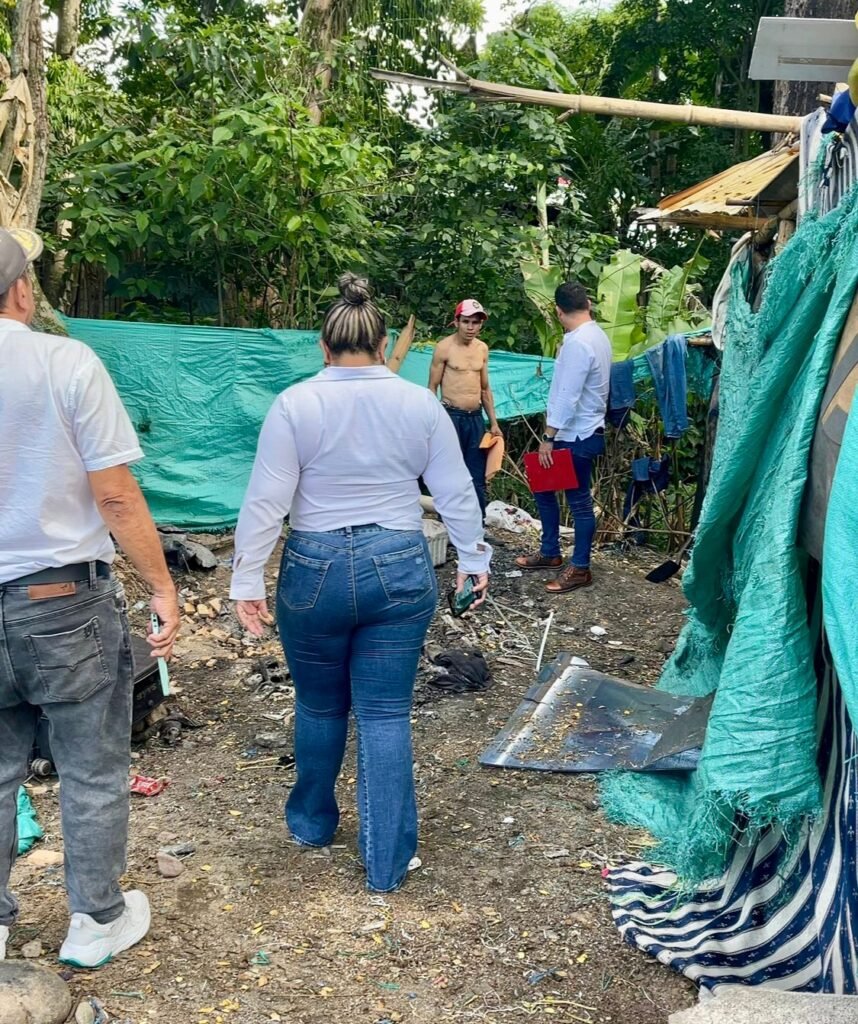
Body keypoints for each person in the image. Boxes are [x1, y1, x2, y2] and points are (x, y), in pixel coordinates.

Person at [231, 273, 491, 893]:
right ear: (381, 346)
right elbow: (455, 490)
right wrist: (473, 559)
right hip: (398, 564)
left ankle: (312, 824)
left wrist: (247, 578)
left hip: (313, 568)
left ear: (324, 348)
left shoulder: (295, 404)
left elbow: (266, 500)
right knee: (384, 712)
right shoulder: (419, 405)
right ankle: (386, 862)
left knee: (319, 703)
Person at [0, 228, 180, 967]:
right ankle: (95, 919)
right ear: (21, 290)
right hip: (63, 602)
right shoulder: (65, 362)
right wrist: (161, 584)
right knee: (91, 766)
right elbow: (115, 494)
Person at [515, 281, 611, 593]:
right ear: (588, 305)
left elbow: (569, 395)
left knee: (579, 502)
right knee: (543, 486)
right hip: (582, 429)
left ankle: (580, 567)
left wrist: (548, 436)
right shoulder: (596, 336)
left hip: (576, 433)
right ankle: (550, 551)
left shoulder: (579, 343)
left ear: (558, 311)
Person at [428, 299, 502, 516]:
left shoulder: (482, 349)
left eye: (475, 323)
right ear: (456, 322)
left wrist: (494, 423)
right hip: (451, 415)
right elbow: (432, 387)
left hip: (475, 417)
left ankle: (478, 522)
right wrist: (434, 420)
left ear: (481, 325)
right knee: (449, 471)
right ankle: (446, 520)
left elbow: (485, 389)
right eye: (466, 321)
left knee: (476, 472)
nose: (471, 327)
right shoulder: (444, 348)